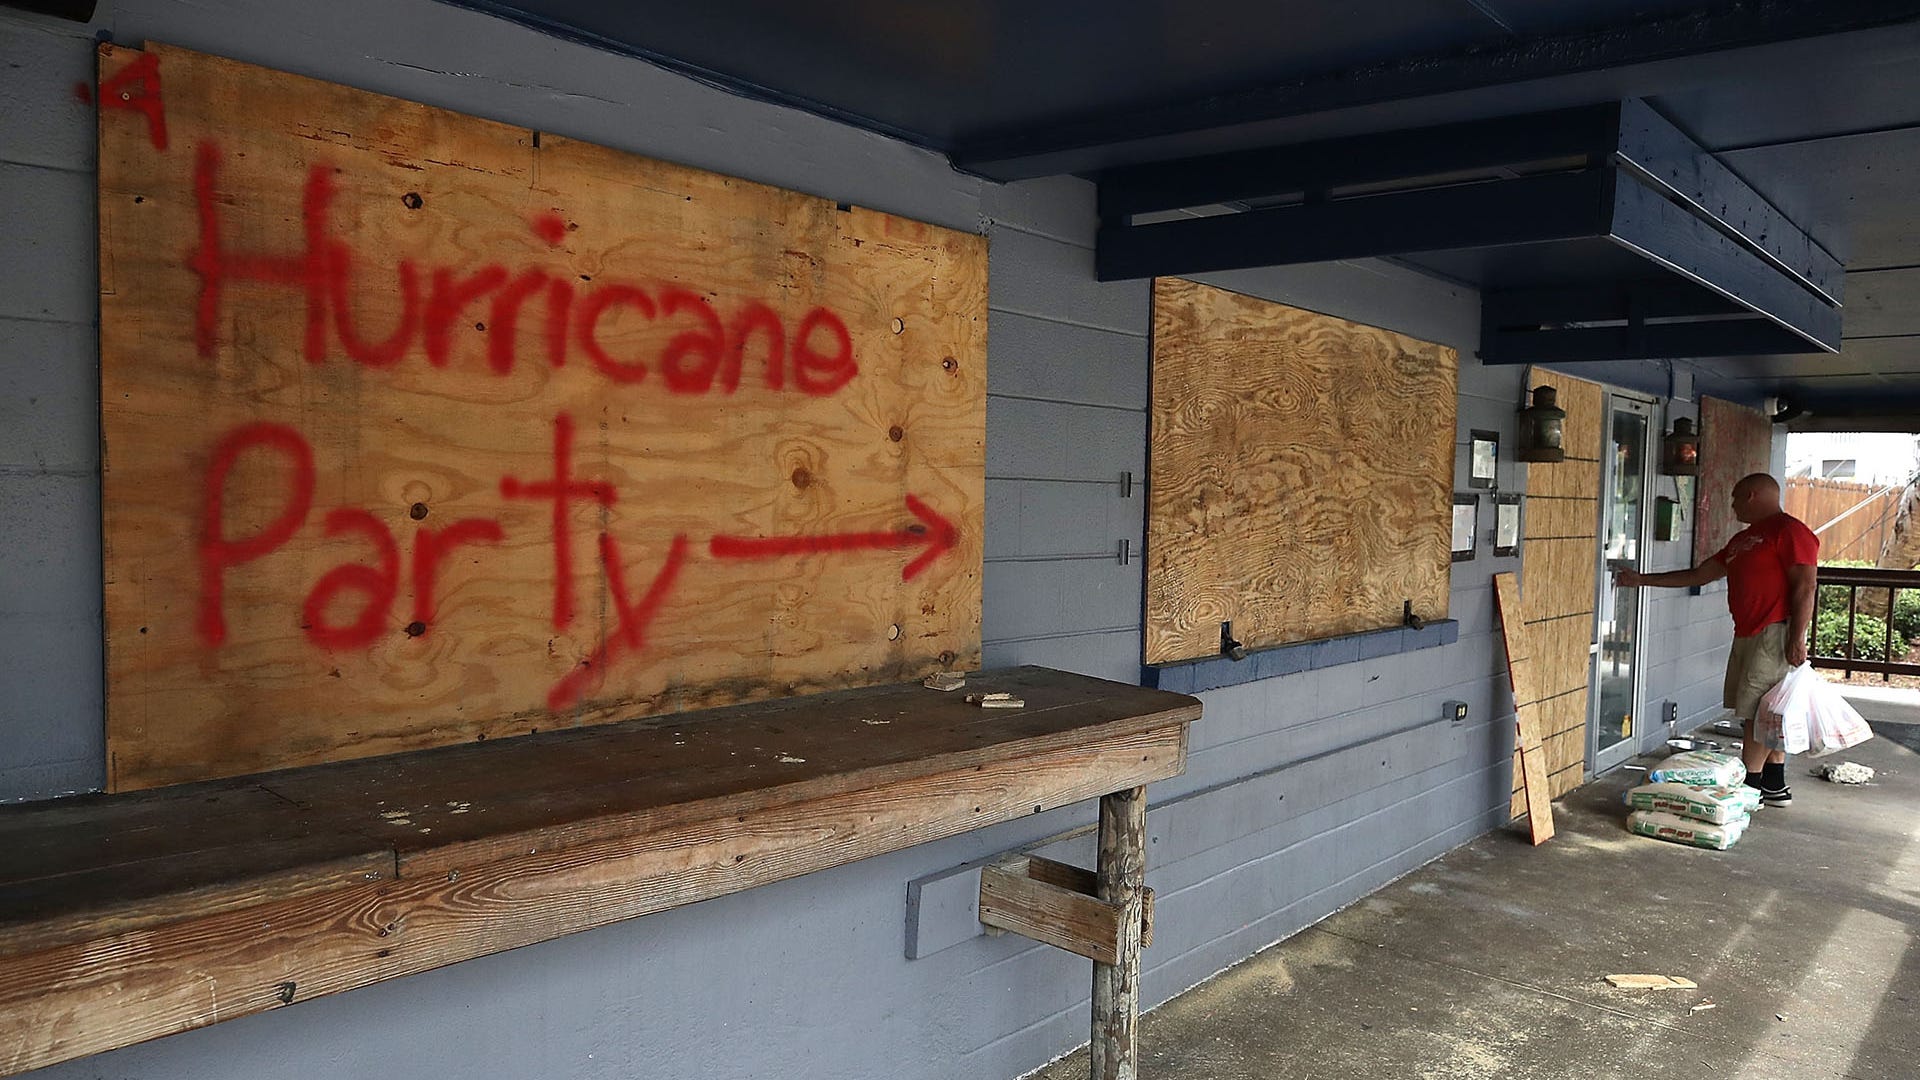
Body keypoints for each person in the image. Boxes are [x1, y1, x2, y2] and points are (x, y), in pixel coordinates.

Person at [1616, 472, 1818, 806]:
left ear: (1753, 495)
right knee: (1770, 709)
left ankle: (1748, 787)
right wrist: (1641, 580)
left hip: (1775, 631)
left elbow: (1806, 585)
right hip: (1747, 631)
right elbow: (1699, 574)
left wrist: (1796, 637)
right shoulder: (1745, 540)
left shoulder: (1791, 531)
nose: (1733, 504)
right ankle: (1774, 785)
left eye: (1736, 497)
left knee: (1760, 712)